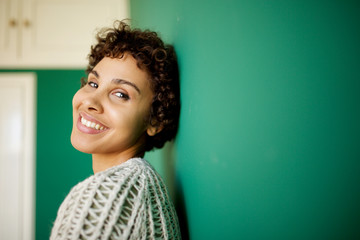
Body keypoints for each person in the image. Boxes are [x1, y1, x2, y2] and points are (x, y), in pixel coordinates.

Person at [50, 20, 181, 240]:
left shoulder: (102, 196)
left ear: (154, 121)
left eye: (120, 94)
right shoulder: (142, 184)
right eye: (93, 83)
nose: (91, 101)